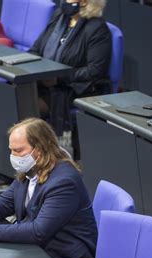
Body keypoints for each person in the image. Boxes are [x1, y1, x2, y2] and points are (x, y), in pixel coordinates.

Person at [0, 118, 97, 258]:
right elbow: (5, 202)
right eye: (11, 150)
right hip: (37, 249)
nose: (13, 156)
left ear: (39, 150)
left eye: (18, 150)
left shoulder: (64, 182)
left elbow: (38, 231)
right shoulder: (30, 170)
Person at [29, 0, 111, 158]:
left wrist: (59, 78)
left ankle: (38, 163)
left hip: (72, 89)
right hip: (44, 83)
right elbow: (35, 50)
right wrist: (33, 69)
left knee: (24, 106)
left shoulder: (97, 28)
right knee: (9, 96)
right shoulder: (59, 17)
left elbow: (95, 71)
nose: (65, 1)